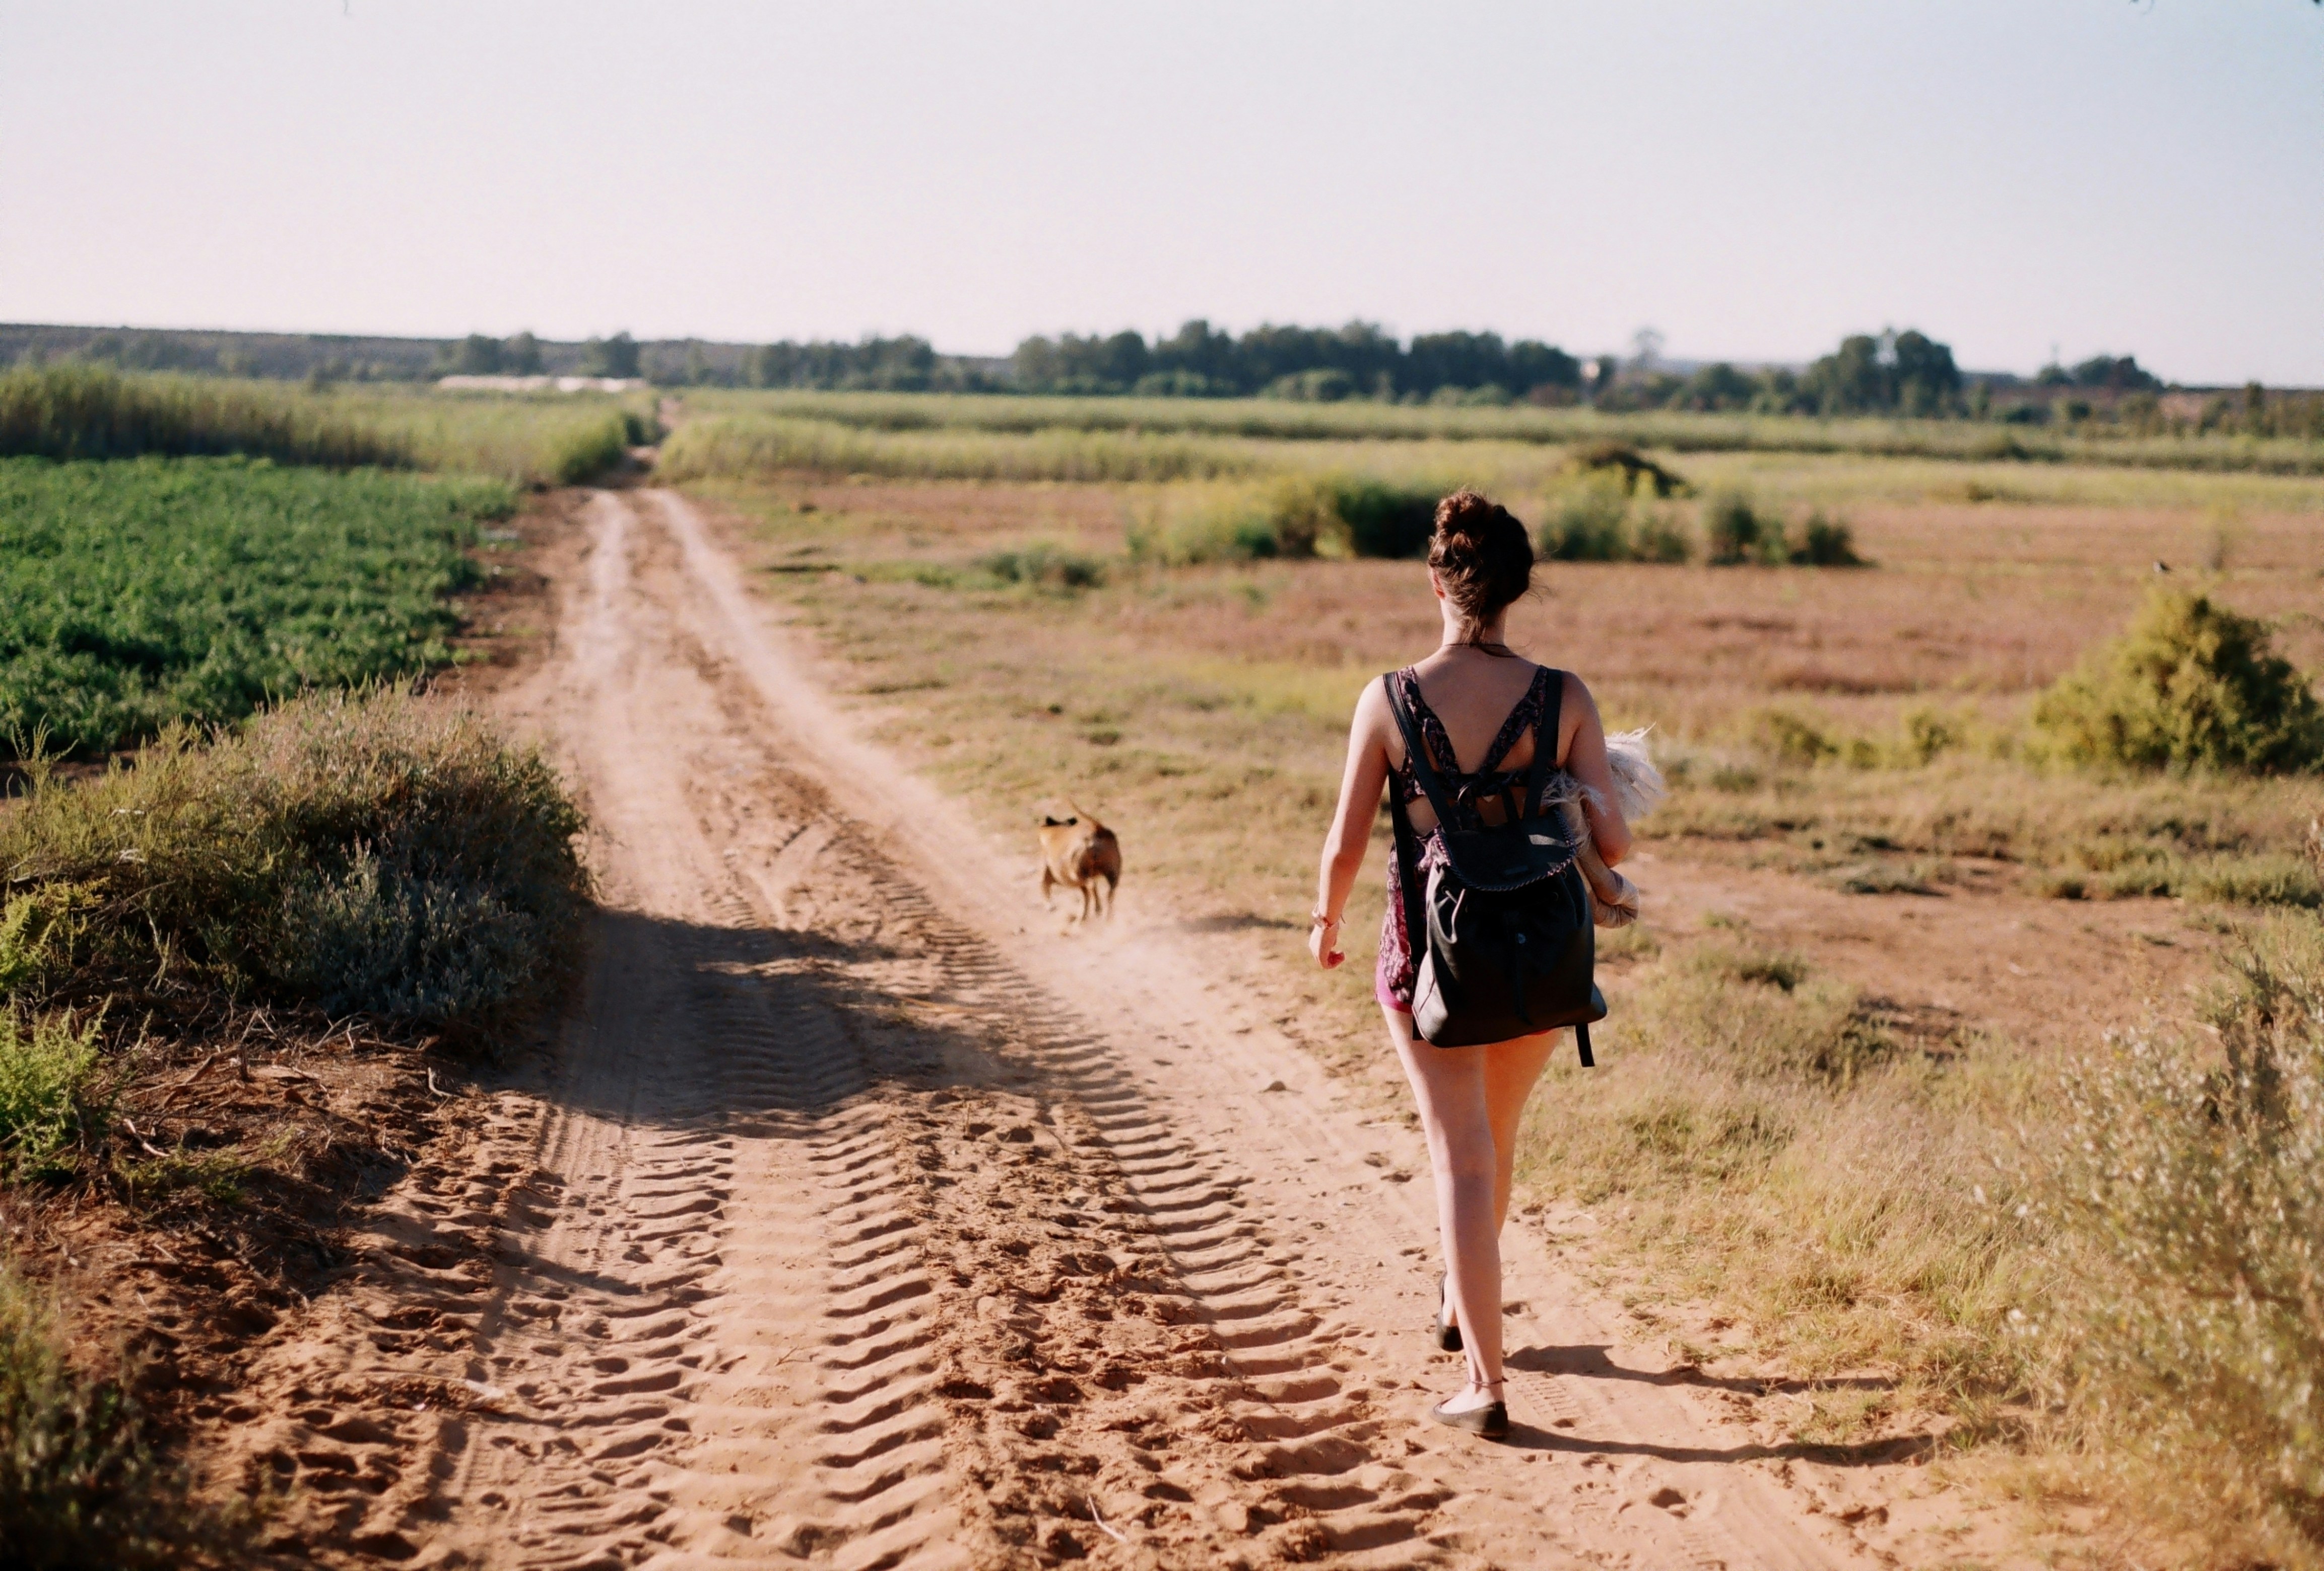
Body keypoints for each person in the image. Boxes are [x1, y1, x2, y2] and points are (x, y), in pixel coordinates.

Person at [1307, 489, 1632, 1438]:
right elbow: (1612, 840)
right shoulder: (1564, 694)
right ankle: (1461, 1303)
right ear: (1518, 588)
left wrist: (1324, 920)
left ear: (1435, 580)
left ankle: (1485, 1384)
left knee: (1460, 1156)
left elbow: (1343, 841)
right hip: (1540, 950)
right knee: (1495, 1137)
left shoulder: (1388, 698)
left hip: (1425, 957)